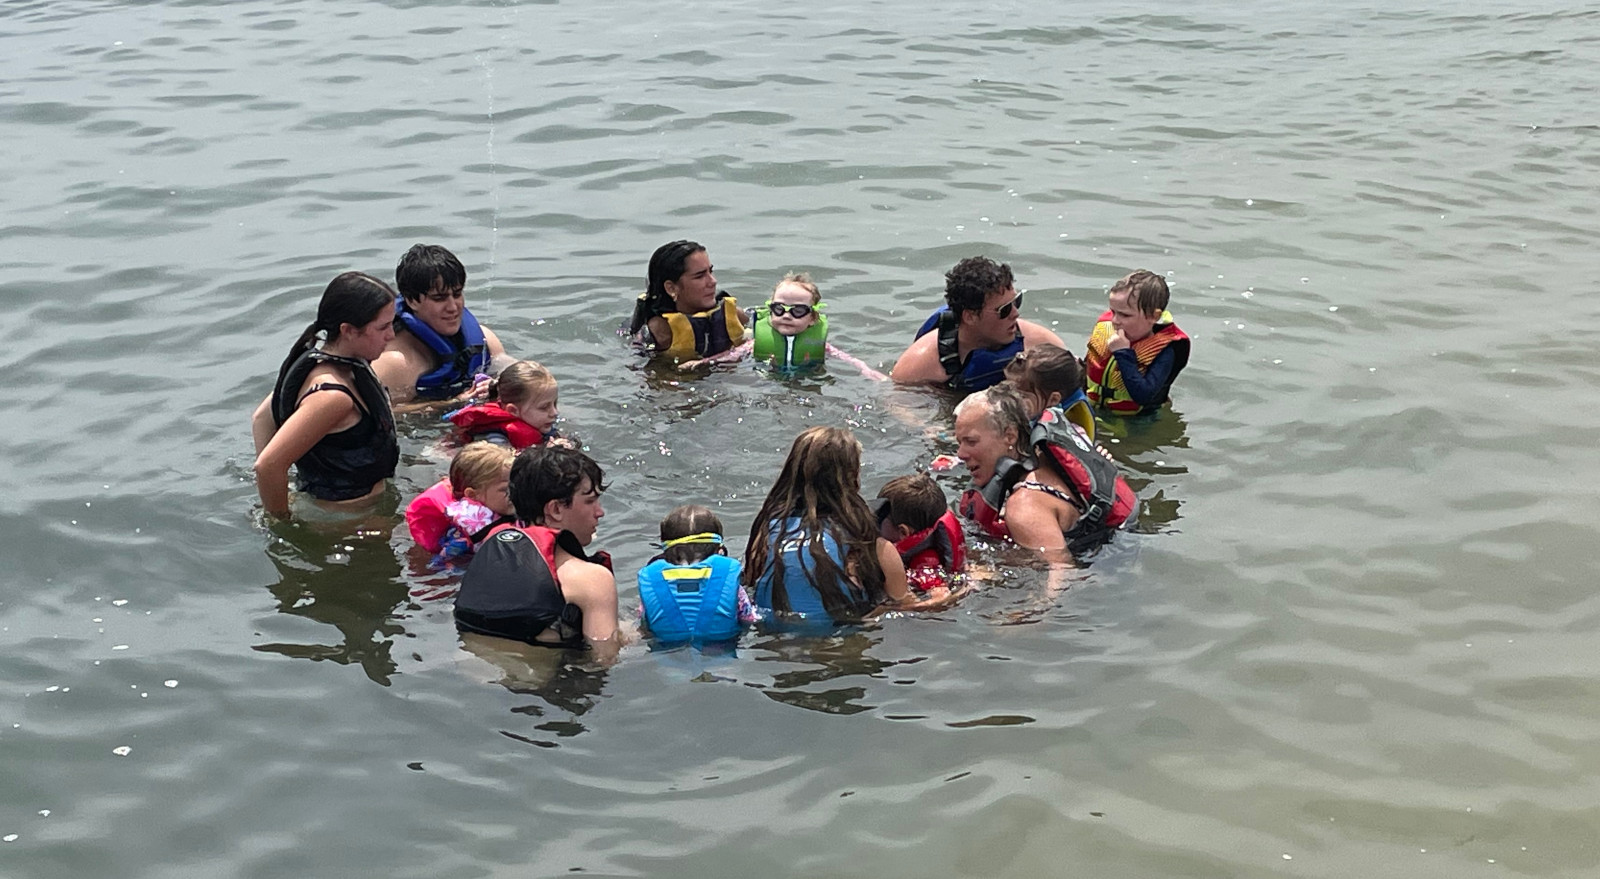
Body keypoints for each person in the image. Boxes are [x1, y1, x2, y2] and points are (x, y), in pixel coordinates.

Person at [251, 272, 400, 518]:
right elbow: (267, 466)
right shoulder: (332, 397)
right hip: (348, 523)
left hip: (350, 512)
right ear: (349, 330)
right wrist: (281, 520)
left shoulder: (325, 363)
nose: (392, 335)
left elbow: (262, 417)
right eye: (383, 327)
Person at [454, 445, 622, 659]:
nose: (600, 512)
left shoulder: (490, 552)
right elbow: (605, 659)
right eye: (590, 501)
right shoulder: (591, 580)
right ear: (555, 509)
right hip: (546, 684)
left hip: (474, 672)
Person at [743, 426, 912, 625]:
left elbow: (750, 589)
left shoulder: (768, 535)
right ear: (853, 477)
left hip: (774, 647)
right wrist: (952, 597)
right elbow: (905, 607)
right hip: (842, 646)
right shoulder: (873, 547)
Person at [952, 385, 1137, 561]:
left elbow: (1061, 575)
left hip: (1110, 563)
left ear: (1010, 436)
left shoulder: (1024, 506)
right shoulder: (1042, 459)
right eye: (960, 442)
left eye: (971, 441)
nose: (961, 454)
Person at [891, 256, 1065, 392]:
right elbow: (900, 407)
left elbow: (1071, 378)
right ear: (970, 317)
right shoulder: (921, 364)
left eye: (1016, 302)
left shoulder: (1038, 343)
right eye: (1004, 310)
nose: (1015, 314)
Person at [680, 273, 886, 379]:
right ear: (770, 311)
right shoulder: (754, 343)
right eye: (779, 309)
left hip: (809, 377)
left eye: (797, 311)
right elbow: (730, 356)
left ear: (813, 318)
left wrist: (865, 369)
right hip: (767, 378)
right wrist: (702, 363)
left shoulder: (820, 344)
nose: (786, 316)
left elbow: (846, 358)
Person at [374, 243, 506, 406]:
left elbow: (518, 375)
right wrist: (452, 403)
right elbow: (378, 417)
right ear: (412, 300)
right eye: (439, 298)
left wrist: (500, 386)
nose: (452, 307)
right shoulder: (395, 363)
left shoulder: (485, 340)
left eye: (457, 294)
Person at [636, 504, 759, 645]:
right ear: (718, 548)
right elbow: (748, 618)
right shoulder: (728, 578)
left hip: (668, 653)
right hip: (721, 650)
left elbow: (644, 621)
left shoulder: (652, 579)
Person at [1084, 269, 1191, 416]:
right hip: (1094, 408)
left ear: (1153, 316)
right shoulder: (1107, 331)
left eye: (1125, 315)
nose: (1115, 321)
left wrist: (1122, 354)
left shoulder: (1165, 351)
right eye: (1113, 312)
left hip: (1138, 421)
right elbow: (1088, 370)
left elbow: (1143, 395)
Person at [628, 239, 748, 363]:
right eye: (699, 276)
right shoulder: (659, 334)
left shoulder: (735, 316)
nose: (713, 281)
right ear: (671, 288)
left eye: (710, 271)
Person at [405, 442, 515, 561]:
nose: (517, 493)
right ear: (473, 495)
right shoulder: (460, 537)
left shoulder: (500, 503)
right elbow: (441, 564)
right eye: (506, 489)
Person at [872, 474, 966, 594]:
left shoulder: (924, 565)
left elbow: (941, 597)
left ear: (903, 531)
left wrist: (885, 608)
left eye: (878, 519)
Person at [445, 360, 560, 449]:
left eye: (555, 403)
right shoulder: (494, 439)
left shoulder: (538, 424)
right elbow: (501, 470)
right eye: (544, 407)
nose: (554, 412)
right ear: (513, 410)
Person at [1002, 343, 1098, 441]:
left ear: (1053, 399)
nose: (1010, 398)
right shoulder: (1039, 405)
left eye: (1021, 395)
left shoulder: (1069, 436)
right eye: (1008, 389)